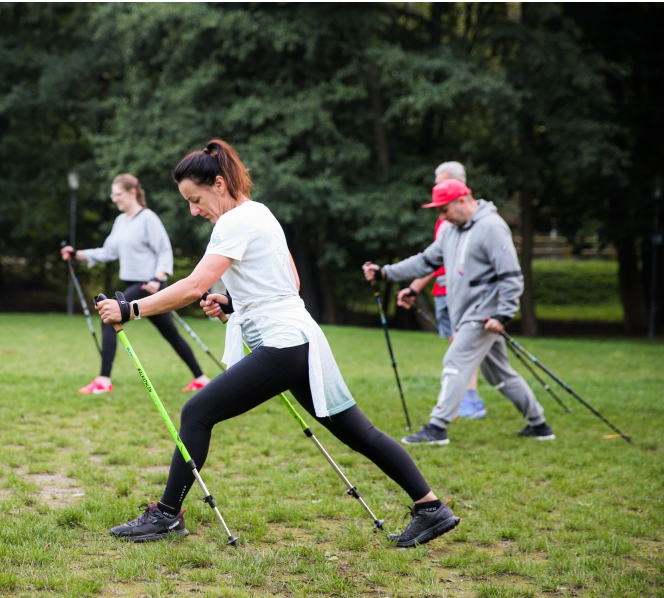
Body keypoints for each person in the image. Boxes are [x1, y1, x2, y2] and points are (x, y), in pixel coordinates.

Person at [94, 140, 460, 548]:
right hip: (301, 338)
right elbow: (290, 283)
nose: (194, 211)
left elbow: (195, 285)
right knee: (357, 431)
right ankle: (430, 507)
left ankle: (166, 515)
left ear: (218, 184)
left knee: (197, 411)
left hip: (284, 344)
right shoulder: (260, 213)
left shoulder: (232, 222)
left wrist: (131, 309)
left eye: (195, 200)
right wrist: (234, 302)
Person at [363, 179, 554, 445]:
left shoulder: (492, 228)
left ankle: (437, 428)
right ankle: (540, 425)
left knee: (455, 363)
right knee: (499, 374)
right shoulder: (451, 232)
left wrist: (503, 315)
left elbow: (511, 276)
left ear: (462, 201)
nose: (442, 217)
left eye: (444, 210)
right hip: (465, 315)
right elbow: (425, 261)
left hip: (483, 315)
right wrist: (386, 272)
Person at [61, 174, 209, 395]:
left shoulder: (148, 218)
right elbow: (107, 252)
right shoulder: (121, 222)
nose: (114, 199)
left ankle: (103, 380)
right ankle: (201, 378)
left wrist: (158, 278)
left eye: (117, 194)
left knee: (109, 316)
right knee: (170, 333)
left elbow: (164, 250)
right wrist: (76, 254)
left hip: (149, 284)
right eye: (113, 195)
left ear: (132, 192)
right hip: (135, 284)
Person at [398, 162, 486, 420]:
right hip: (441, 290)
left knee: (462, 346)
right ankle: (467, 400)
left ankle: (469, 401)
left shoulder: (467, 218)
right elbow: (434, 258)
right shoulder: (446, 217)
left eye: (441, 182)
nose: (435, 188)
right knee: (459, 344)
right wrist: (415, 287)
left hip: (457, 292)